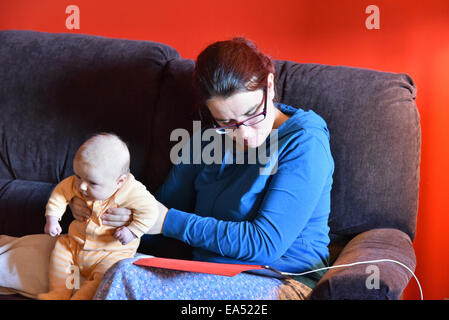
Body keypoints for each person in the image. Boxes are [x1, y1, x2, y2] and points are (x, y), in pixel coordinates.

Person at [71, 37, 335, 300]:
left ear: (269, 85)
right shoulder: (206, 141)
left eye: (253, 113)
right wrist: (101, 210)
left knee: (126, 276)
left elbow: (265, 243)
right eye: (226, 122)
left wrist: (166, 221)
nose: (243, 133)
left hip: (281, 283)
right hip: (202, 273)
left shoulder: (304, 140)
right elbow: (157, 222)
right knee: (98, 266)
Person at [38, 133, 159, 300]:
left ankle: (81, 297)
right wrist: (52, 218)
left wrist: (132, 231)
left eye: (92, 183)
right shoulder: (78, 182)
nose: (81, 186)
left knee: (106, 275)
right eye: (78, 176)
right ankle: (60, 292)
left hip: (110, 252)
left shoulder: (131, 191)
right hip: (76, 244)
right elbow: (60, 193)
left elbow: (151, 210)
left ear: (119, 181)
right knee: (61, 250)